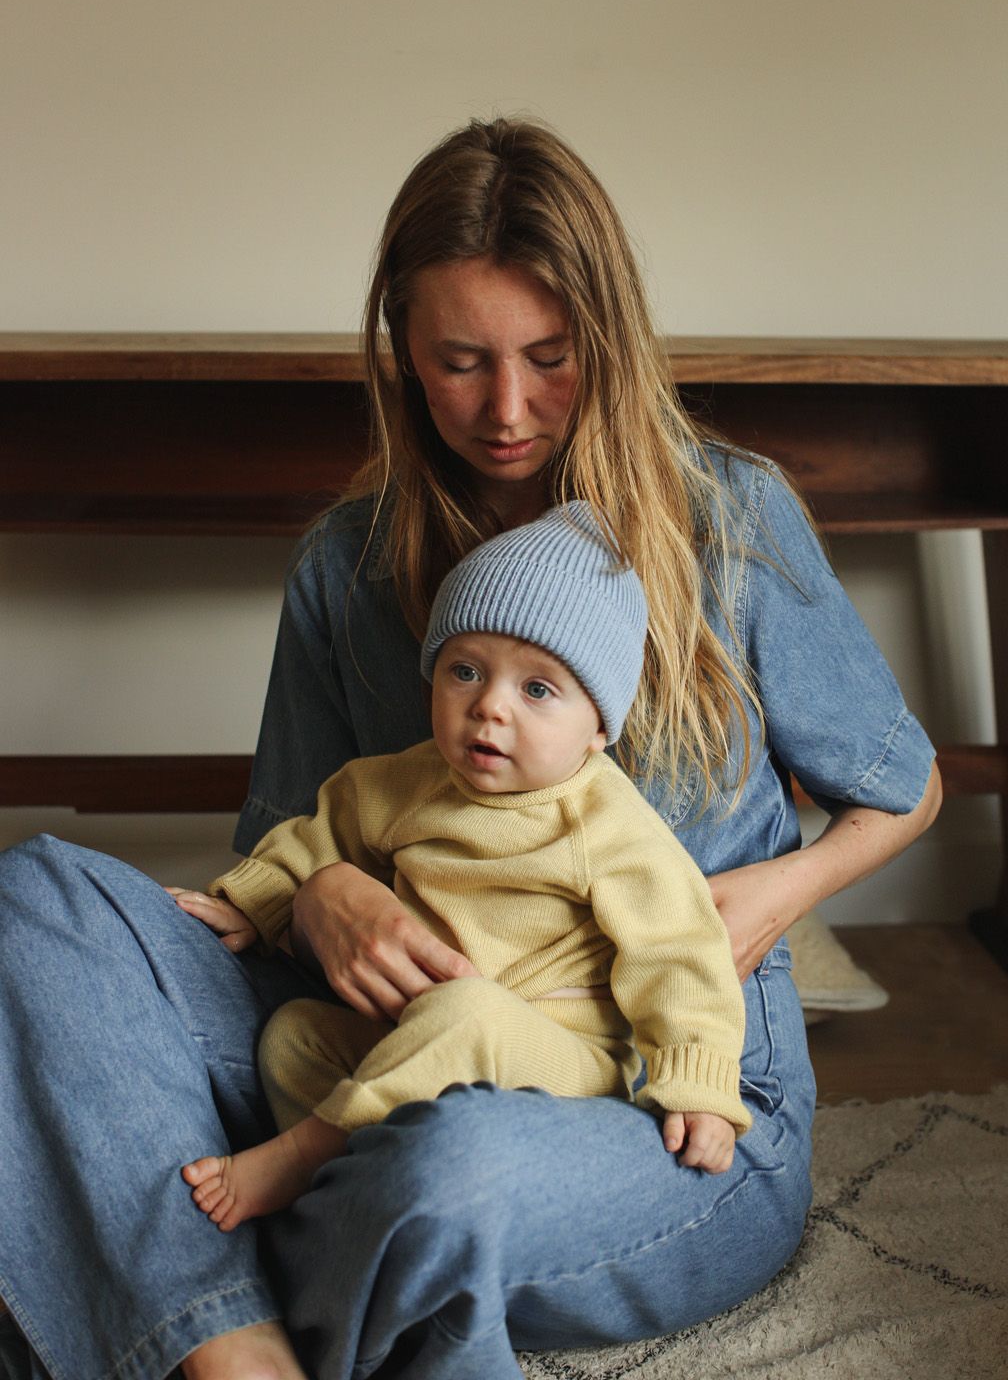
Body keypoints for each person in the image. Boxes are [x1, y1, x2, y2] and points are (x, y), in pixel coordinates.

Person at [0, 116, 941, 1380]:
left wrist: (776, 892)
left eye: (550, 358)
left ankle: (148, 1252)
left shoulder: (729, 520)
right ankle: (232, 1345)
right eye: (459, 362)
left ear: (608, 336)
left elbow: (907, 790)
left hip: (650, 1106)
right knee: (37, 902)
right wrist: (322, 897)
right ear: (402, 349)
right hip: (364, 1052)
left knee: (446, 1173)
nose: (507, 410)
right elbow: (274, 862)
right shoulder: (346, 561)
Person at [177, 503, 753, 1233]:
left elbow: (680, 953)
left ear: (599, 728)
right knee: (294, 1034)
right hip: (420, 1035)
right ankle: (345, 1199)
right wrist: (254, 902)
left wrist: (698, 1086)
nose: (489, 708)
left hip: (559, 1062)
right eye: (466, 671)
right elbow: (319, 839)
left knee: (469, 1009)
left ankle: (302, 1157)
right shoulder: (405, 784)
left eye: (537, 689)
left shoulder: (608, 826)